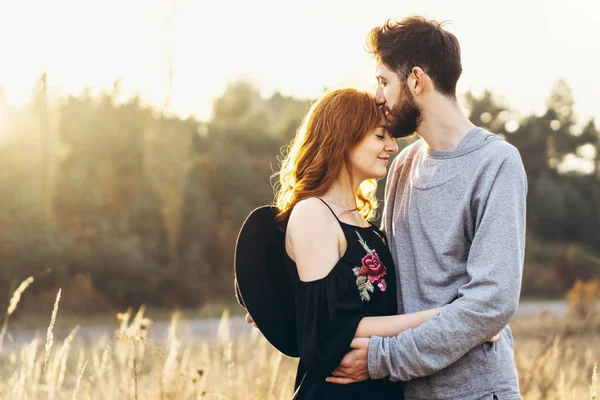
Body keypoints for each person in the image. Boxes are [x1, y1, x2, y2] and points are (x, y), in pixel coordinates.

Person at [237, 87, 500, 399]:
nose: (392, 146)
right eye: (380, 136)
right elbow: (330, 329)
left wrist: (466, 323)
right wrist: (454, 318)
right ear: (344, 138)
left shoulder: (364, 225)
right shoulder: (313, 213)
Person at [326, 16, 527, 400]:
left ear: (416, 80)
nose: (377, 96)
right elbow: (377, 269)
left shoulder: (496, 163)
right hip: (410, 393)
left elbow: (491, 301)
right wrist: (289, 295)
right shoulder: (403, 165)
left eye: (384, 81)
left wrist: (383, 358)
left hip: (479, 392)